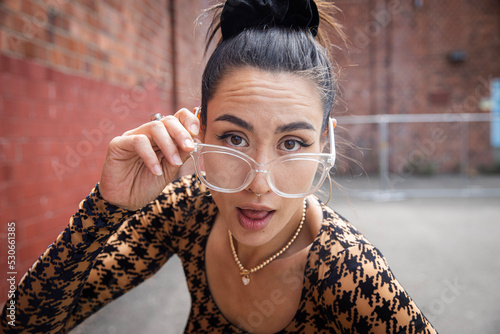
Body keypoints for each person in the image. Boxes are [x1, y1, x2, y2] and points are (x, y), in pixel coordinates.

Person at [1, 0, 437, 333]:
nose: (259, 183)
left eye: (291, 143)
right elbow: (22, 322)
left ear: (325, 143)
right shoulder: (188, 210)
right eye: (234, 138)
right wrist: (106, 207)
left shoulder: (346, 271)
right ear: (199, 131)